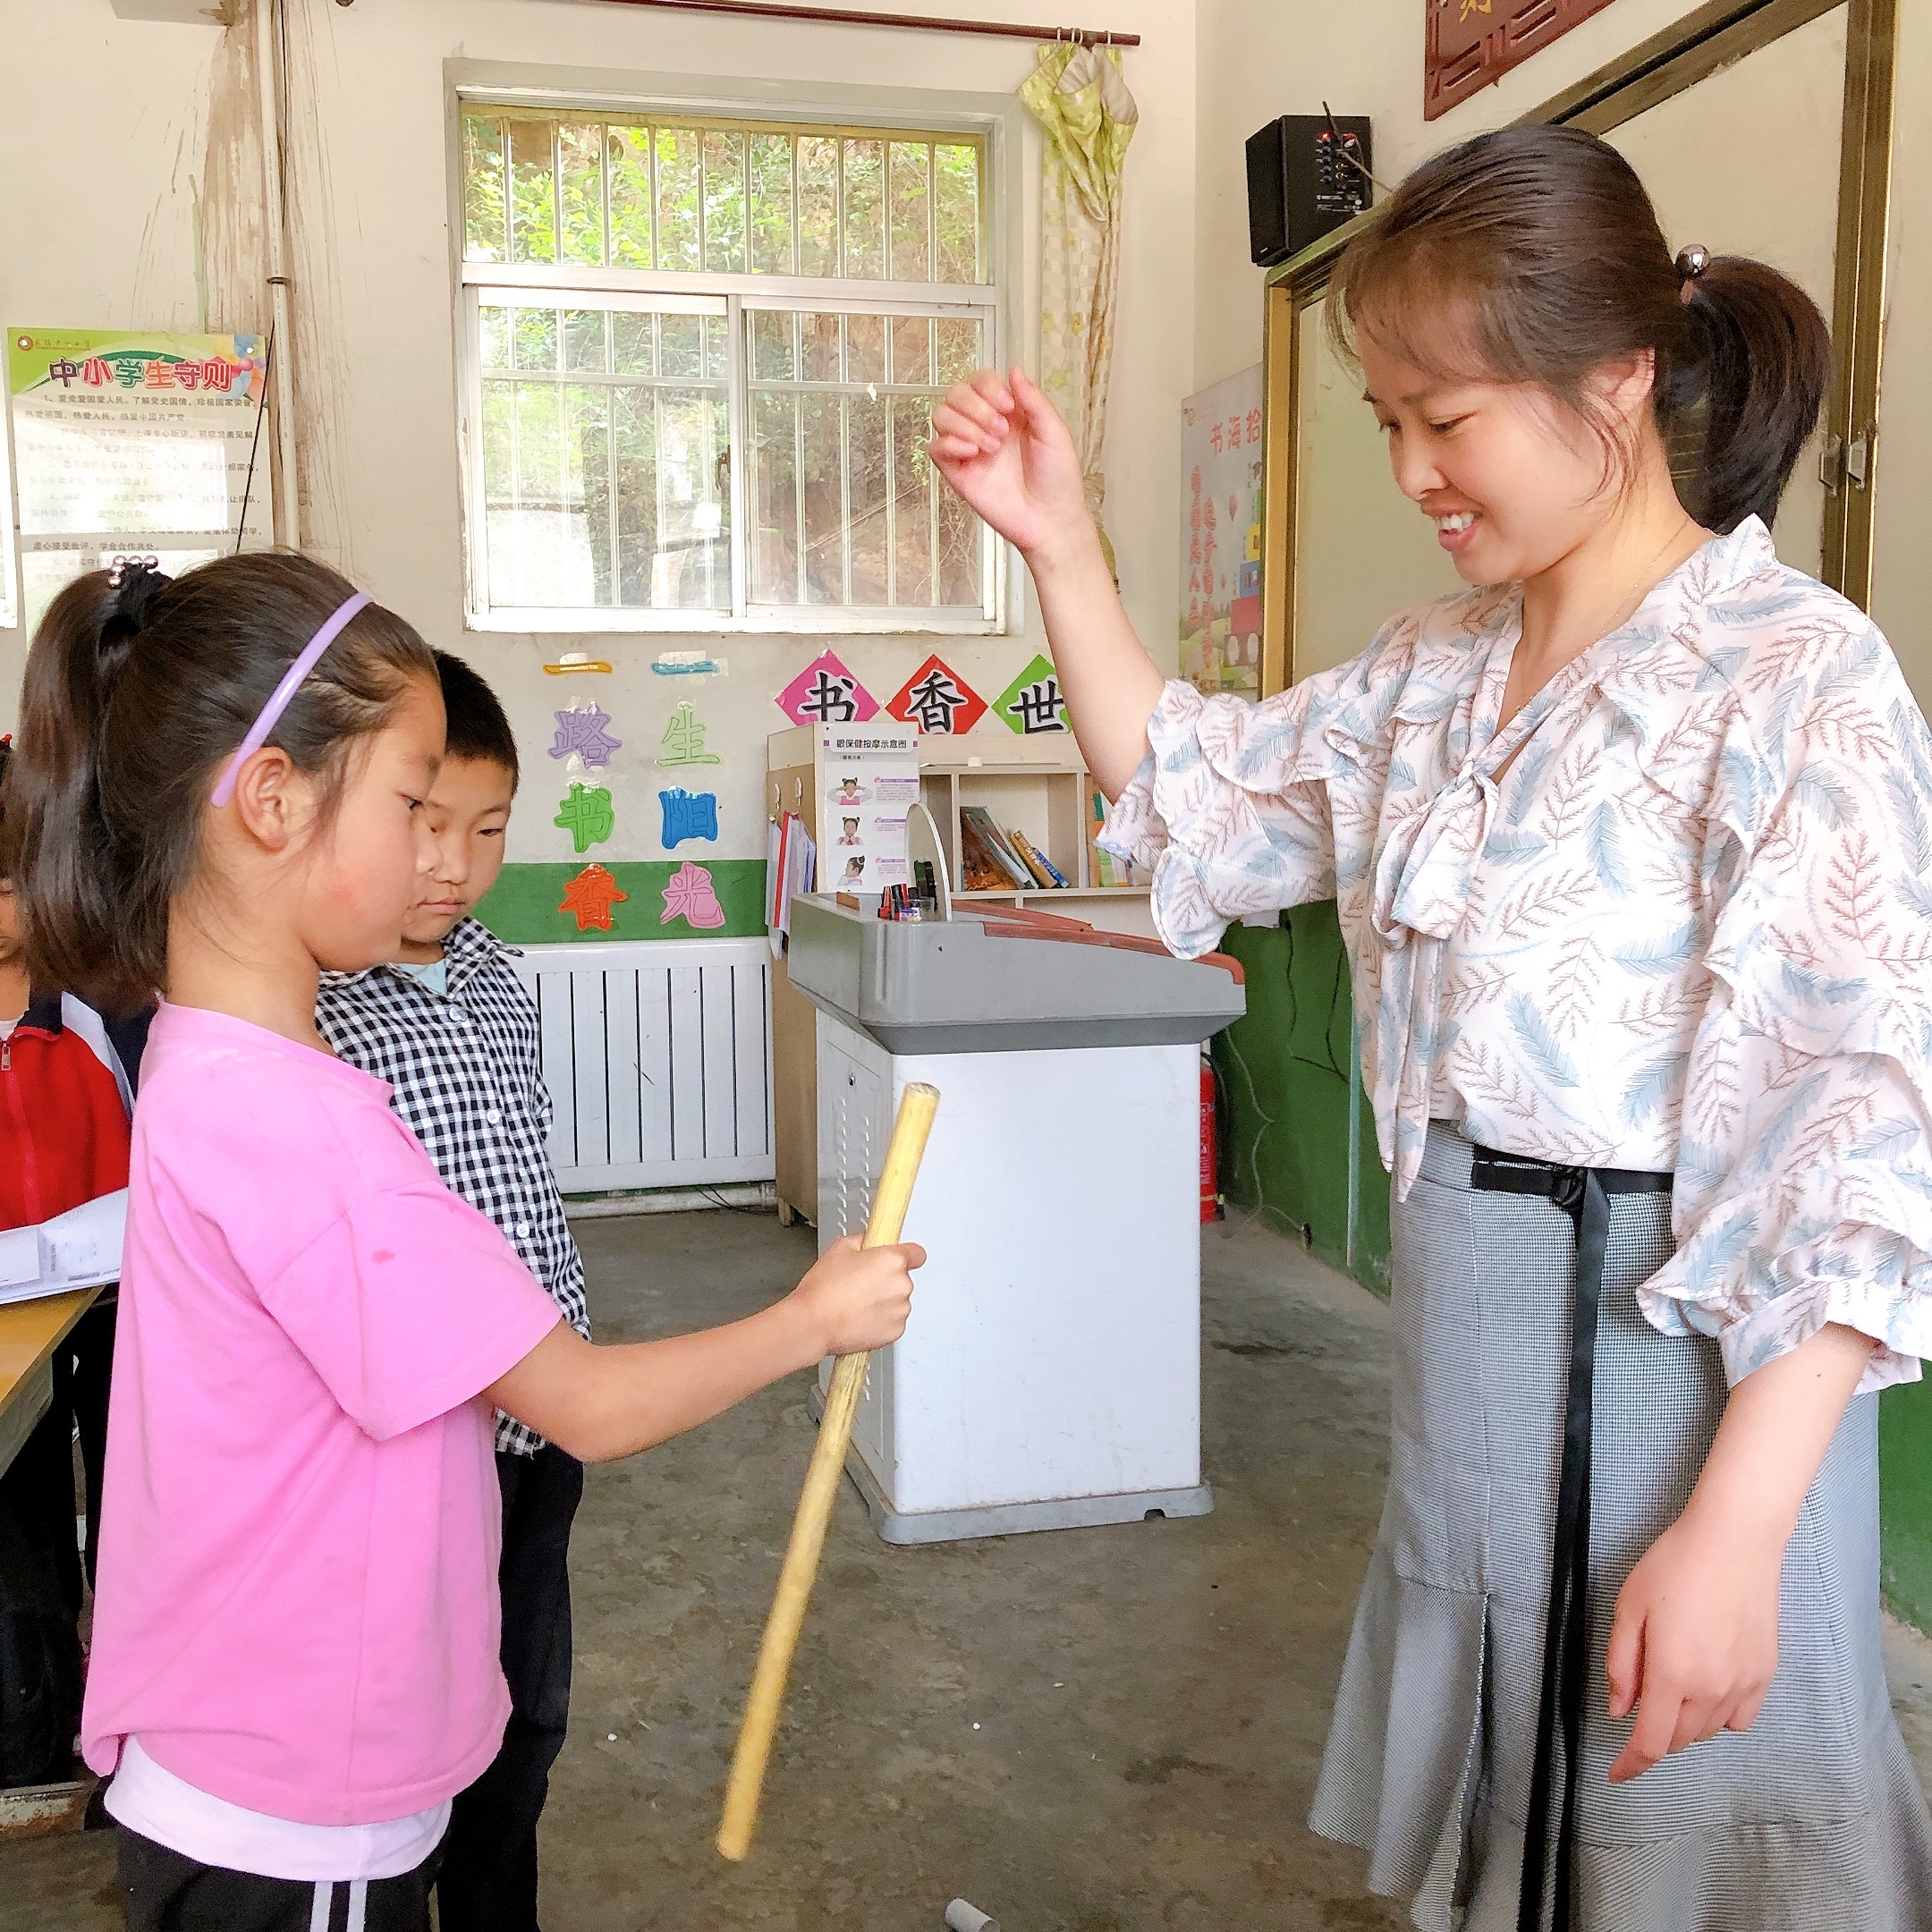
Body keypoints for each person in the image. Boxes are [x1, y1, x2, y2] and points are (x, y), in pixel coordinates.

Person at [930, 123, 1932, 1930]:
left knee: (1689, 1821)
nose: (1409, 470)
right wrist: (1064, 548)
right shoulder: (1433, 670)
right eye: (1386, 417)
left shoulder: (1797, 677)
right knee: (1515, 1820)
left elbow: (1844, 1135)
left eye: (1444, 418)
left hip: (1682, 1361)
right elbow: (1199, 797)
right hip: (1469, 1330)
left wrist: (1739, 1526)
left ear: (1615, 379)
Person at [4, 551, 920, 1932]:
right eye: (411, 800)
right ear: (271, 800)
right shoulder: (306, 1134)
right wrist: (813, 1319)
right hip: (298, 1810)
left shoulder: (206, 1060)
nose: (440, 855)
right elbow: (581, 1404)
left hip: (246, 1762)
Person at [313, 650, 577, 1932]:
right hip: (421, 1450)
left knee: (526, 1717)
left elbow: (527, 1177)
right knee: (416, 1736)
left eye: (488, 829)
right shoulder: (316, 1008)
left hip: (543, 1428)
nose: (452, 866)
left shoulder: (494, 974)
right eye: (424, 823)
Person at [0, 736, 148, 1788]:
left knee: (132, 1499)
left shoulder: (94, 1011)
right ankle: (40, 1720)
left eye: (12, 881)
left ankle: (125, 1704)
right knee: (25, 1522)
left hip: (110, 1303)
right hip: (11, 1335)